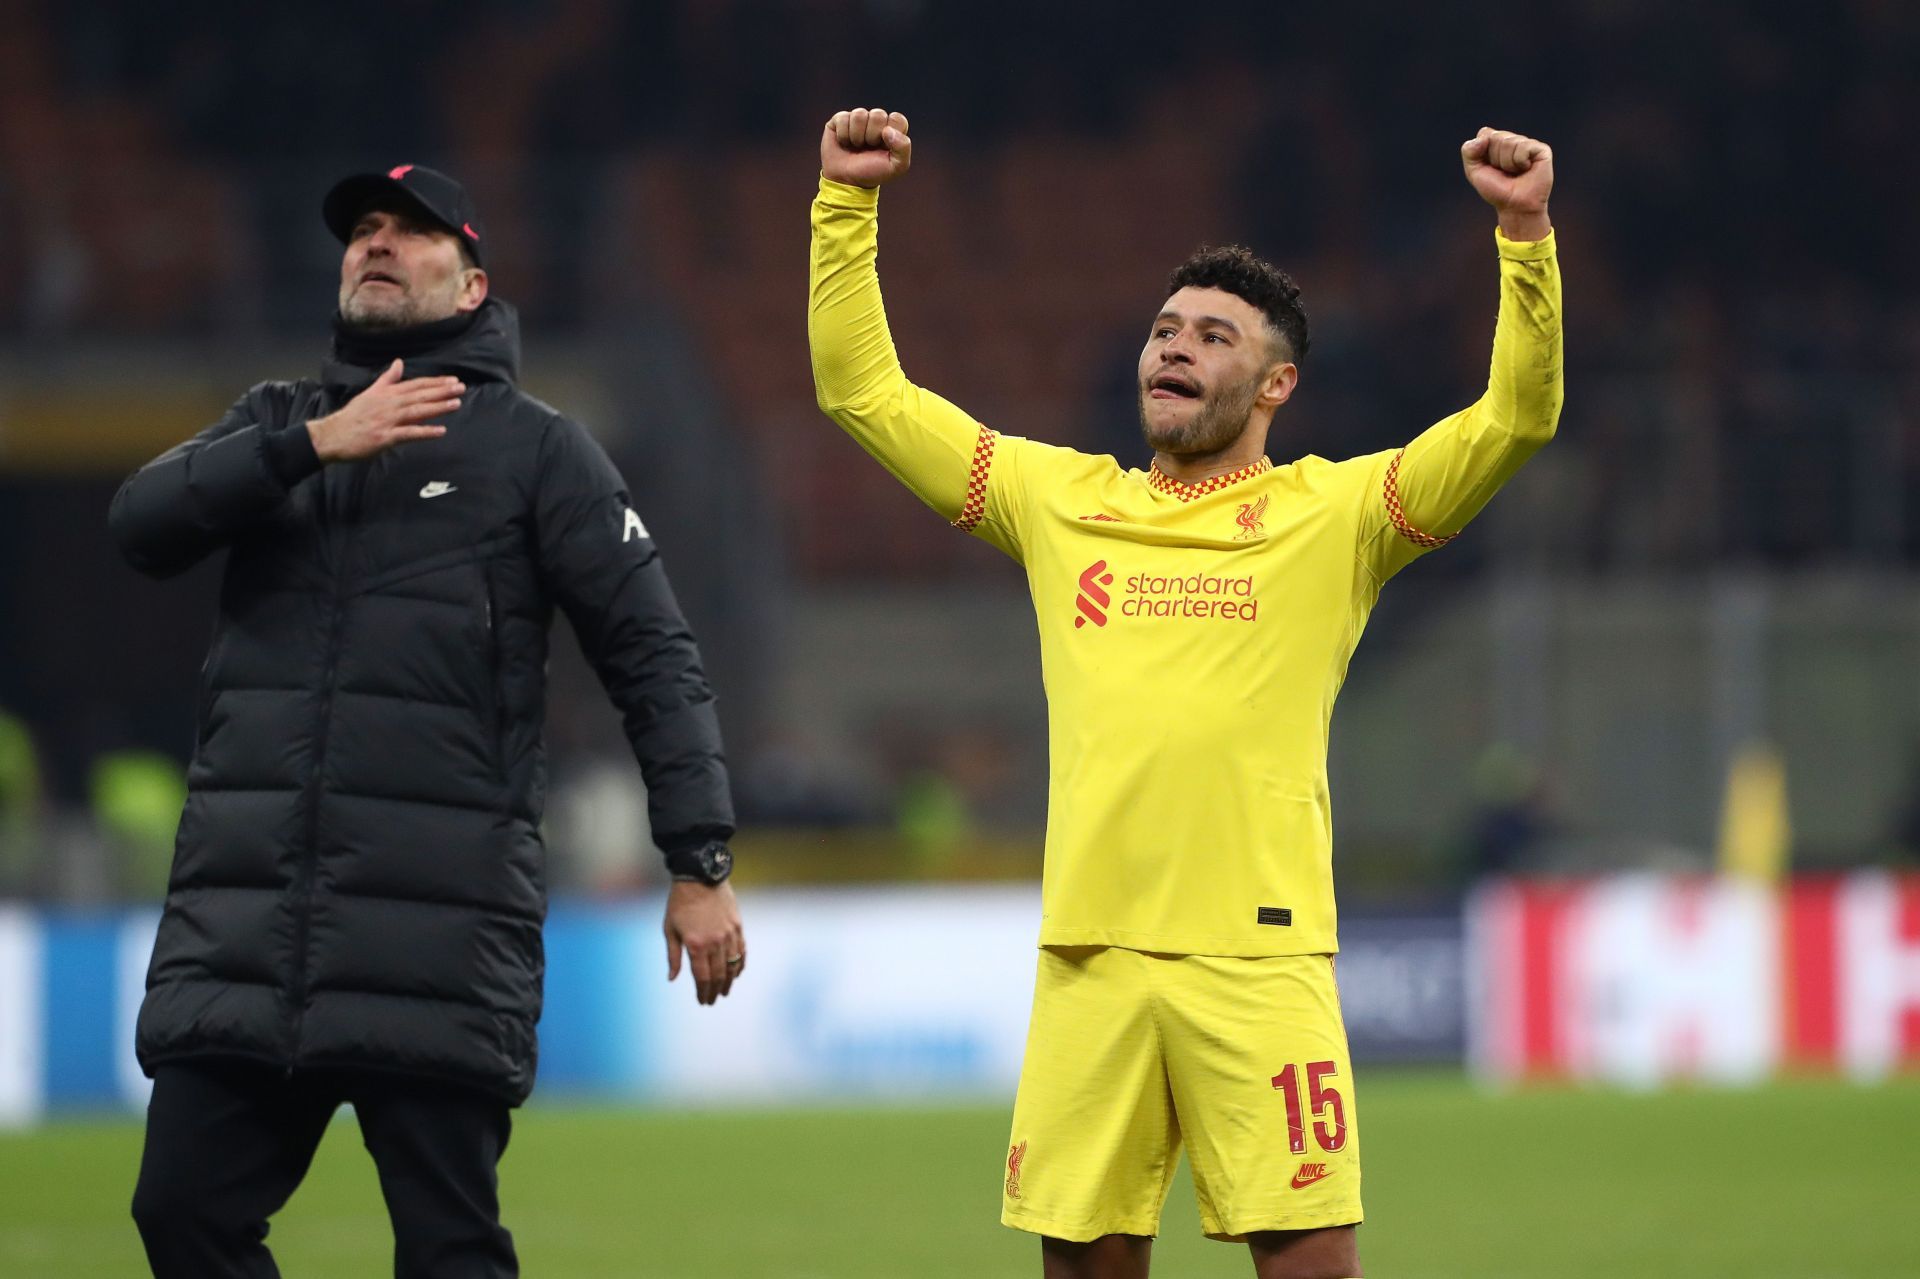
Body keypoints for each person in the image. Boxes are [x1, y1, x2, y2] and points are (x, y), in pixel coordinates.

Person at [809, 110, 1562, 1279]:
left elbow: (1516, 419)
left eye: (1214, 334)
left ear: (1277, 383)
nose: (1175, 346)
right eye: (1165, 328)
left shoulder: (1341, 518)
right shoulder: (1057, 501)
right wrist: (845, 205)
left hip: (1257, 964)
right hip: (1089, 963)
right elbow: (862, 391)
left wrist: (1524, 238)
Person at [111, 163, 745, 1279]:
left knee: (450, 1251)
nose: (377, 243)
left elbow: (653, 652)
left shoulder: (541, 452)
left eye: (412, 230)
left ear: (472, 286)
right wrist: (311, 446)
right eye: (362, 229)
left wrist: (697, 859)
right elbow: (140, 522)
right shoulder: (277, 424)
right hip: (257, 935)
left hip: (434, 936)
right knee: (181, 1213)